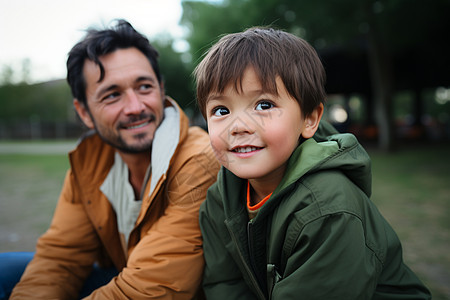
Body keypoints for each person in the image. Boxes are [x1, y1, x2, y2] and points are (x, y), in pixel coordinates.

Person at [194, 27, 431, 299]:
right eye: (220, 110)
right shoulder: (219, 200)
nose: (238, 126)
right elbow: (224, 285)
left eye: (264, 105)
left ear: (310, 119)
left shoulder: (328, 210)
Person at [3, 19, 220, 299]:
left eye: (144, 87)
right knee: (7, 269)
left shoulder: (199, 159)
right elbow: (62, 258)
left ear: (161, 88)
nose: (135, 107)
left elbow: (153, 288)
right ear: (83, 112)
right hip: (126, 273)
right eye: (113, 94)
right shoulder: (89, 164)